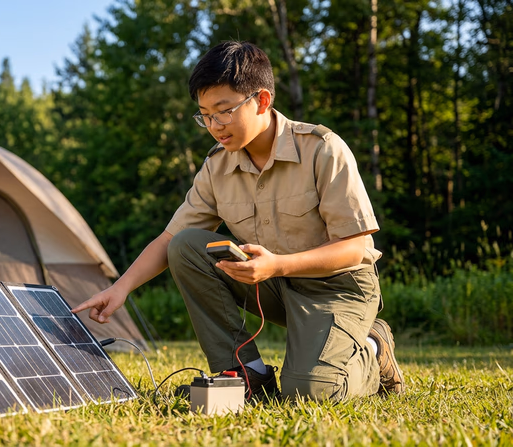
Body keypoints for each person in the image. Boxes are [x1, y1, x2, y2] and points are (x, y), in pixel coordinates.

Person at [71, 41, 405, 402]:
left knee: (310, 393)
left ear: (261, 101)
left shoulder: (323, 149)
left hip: (338, 288)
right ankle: (247, 375)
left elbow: (355, 248)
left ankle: (373, 345)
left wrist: (277, 266)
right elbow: (170, 240)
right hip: (273, 284)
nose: (214, 126)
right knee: (187, 247)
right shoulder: (217, 166)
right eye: (204, 115)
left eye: (223, 111)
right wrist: (120, 288)